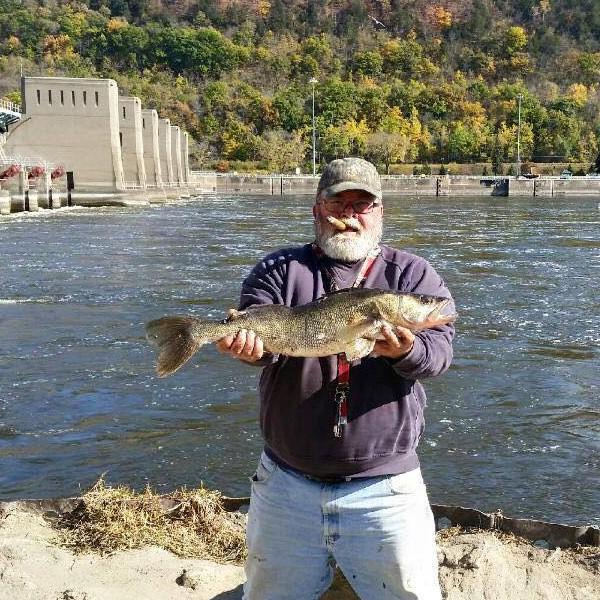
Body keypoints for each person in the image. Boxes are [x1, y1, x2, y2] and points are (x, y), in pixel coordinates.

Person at [216, 157, 455, 600]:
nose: (349, 215)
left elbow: (439, 355)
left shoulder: (412, 274)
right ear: (317, 209)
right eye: (337, 203)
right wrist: (250, 349)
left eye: (361, 205)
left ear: (379, 212)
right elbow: (261, 344)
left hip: (386, 488)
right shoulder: (278, 270)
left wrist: (407, 350)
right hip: (286, 484)